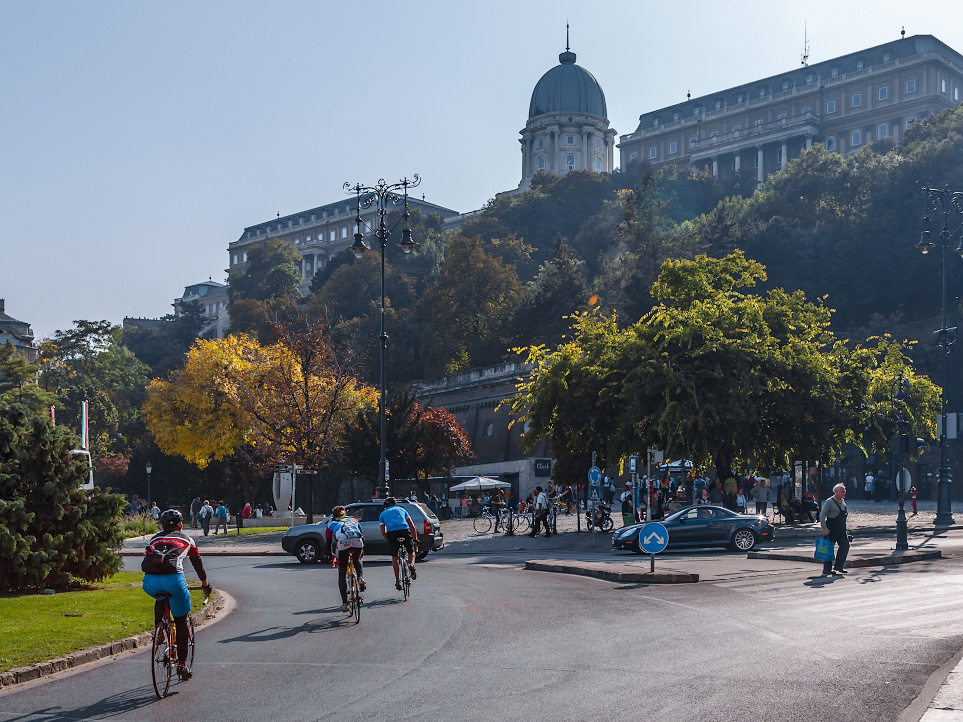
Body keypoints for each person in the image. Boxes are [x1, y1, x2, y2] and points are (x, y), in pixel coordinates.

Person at [141, 509, 212, 681]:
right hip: (175, 581)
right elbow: (197, 564)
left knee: (160, 598)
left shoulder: (154, 539)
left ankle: (159, 631)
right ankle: (182, 664)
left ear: (162, 525)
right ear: (180, 525)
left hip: (150, 582)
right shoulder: (186, 539)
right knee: (181, 619)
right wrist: (205, 585)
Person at [326, 505, 366, 612]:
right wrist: (361, 552)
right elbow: (361, 535)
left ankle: (345, 603)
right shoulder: (354, 520)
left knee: (342, 573)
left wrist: (330, 555)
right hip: (357, 541)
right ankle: (360, 577)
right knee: (357, 559)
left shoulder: (331, 523)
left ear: (333, 515)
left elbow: (328, 542)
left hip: (343, 543)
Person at [379, 497, 419, 590]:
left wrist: (389, 540)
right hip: (404, 530)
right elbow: (412, 526)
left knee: (395, 557)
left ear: (385, 506)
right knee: (411, 551)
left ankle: (397, 581)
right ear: (395, 504)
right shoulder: (402, 509)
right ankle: (411, 565)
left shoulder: (382, 514)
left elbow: (383, 532)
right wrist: (415, 539)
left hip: (392, 533)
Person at [819, 483, 850, 576]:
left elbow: (843, 517)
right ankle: (827, 569)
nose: (844, 493)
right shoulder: (830, 501)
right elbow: (822, 515)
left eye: (845, 491)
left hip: (841, 530)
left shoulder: (843, 501)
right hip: (831, 530)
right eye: (842, 491)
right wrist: (824, 528)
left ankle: (839, 566)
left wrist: (846, 528)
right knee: (828, 549)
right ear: (836, 492)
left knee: (845, 546)